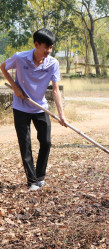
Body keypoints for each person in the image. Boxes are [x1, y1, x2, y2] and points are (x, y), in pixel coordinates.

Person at [0, 28, 67, 191]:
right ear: (36, 44)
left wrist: (61, 114)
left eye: (51, 48)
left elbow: (56, 90)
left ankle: (40, 176)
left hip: (40, 107)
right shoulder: (20, 58)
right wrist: (15, 88)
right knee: (25, 144)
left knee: (46, 142)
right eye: (46, 48)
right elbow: (3, 67)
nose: (48, 51)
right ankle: (32, 181)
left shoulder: (53, 63)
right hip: (20, 107)